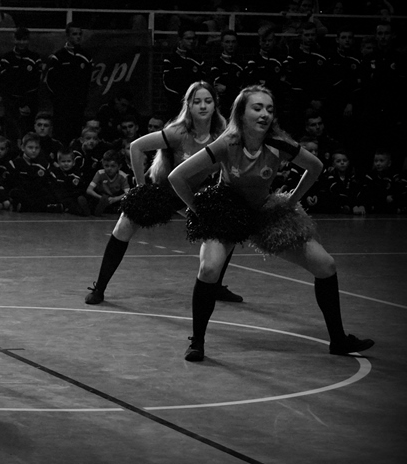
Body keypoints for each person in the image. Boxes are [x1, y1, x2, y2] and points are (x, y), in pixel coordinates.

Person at [168, 85, 374, 362]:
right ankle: (197, 342)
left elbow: (315, 167)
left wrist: (291, 201)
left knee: (326, 265)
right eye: (257, 108)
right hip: (227, 213)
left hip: (264, 212)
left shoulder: (279, 144)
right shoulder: (227, 143)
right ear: (241, 113)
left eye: (269, 109)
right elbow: (177, 177)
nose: (265, 113)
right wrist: (199, 211)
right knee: (209, 269)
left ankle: (338, 340)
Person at [84, 81, 242, 305]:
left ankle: (215, 286)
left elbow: (228, 165)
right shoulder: (178, 132)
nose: (203, 106)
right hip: (162, 192)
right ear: (188, 105)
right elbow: (136, 147)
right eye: (197, 101)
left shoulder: (221, 134)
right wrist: (141, 189)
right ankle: (99, 288)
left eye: (208, 101)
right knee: (123, 227)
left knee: (228, 225)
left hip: (190, 194)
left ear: (215, 104)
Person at [44, 23, 91, 138]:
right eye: (74, 34)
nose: (78, 37)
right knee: (61, 135)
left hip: (78, 106)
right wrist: (58, 99)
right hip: (62, 107)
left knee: (76, 136)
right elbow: (48, 81)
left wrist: (82, 100)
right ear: (67, 36)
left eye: (80, 34)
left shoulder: (86, 57)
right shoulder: (58, 57)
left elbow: (88, 82)